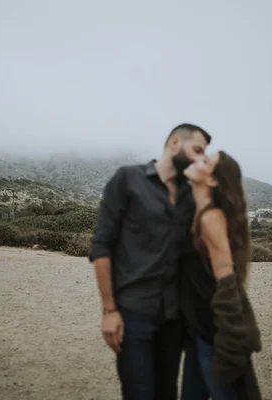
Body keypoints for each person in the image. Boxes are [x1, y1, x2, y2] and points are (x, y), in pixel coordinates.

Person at [89, 124, 212, 399]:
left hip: (175, 318)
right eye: (197, 150)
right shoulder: (127, 179)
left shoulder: (190, 196)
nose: (199, 159)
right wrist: (109, 310)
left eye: (204, 155)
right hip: (133, 315)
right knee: (139, 393)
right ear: (174, 142)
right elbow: (101, 246)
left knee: (167, 392)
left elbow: (204, 249)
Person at [179, 151, 262, 400]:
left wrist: (229, 340)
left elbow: (226, 280)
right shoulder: (197, 210)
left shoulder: (210, 218)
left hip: (212, 331)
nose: (196, 160)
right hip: (197, 326)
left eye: (204, 161)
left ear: (214, 181)